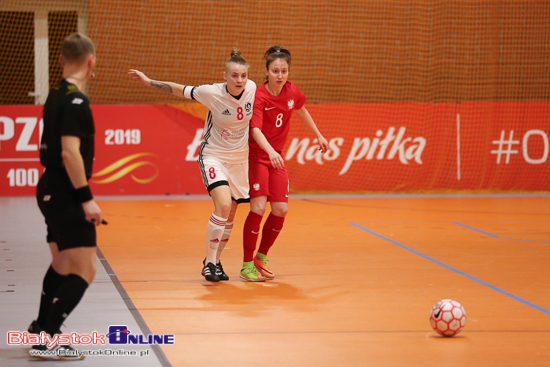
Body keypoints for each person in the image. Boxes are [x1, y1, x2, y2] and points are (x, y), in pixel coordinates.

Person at [129, 48, 256, 282]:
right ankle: (209, 263)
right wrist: (148, 82)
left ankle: (216, 261)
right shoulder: (211, 92)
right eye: (234, 75)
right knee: (224, 206)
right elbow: (178, 89)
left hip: (240, 160)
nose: (239, 80)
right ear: (225, 76)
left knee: (231, 215)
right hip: (214, 156)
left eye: (243, 75)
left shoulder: (252, 89)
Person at [29, 32, 101, 361]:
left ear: (60, 60)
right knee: (85, 270)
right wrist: (86, 198)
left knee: (60, 262)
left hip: (49, 188)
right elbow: (70, 153)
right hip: (66, 191)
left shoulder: (55, 93)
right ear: (91, 62)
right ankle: (46, 338)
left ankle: (39, 329)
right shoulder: (77, 100)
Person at [241, 45, 328, 281]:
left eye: (284, 71)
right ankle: (247, 265)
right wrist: (269, 152)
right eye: (276, 71)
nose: (280, 76)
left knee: (281, 209)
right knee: (258, 208)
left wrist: (318, 134)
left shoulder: (291, 91)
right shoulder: (259, 95)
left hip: (275, 157)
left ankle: (261, 257)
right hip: (259, 156)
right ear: (266, 71)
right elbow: (255, 129)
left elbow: (301, 110)